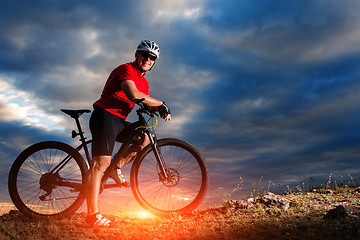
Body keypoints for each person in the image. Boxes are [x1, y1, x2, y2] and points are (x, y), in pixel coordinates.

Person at [84, 40, 171, 227]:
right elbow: (133, 95)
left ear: (155, 61)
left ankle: (116, 168)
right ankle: (92, 216)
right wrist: (161, 102)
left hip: (118, 120)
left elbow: (144, 100)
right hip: (104, 116)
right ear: (137, 55)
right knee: (100, 164)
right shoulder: (126, 69)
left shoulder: (144, 83)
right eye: (145, 55)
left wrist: (159, 110)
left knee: (145, 138)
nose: (148, 59)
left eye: (152, 57)